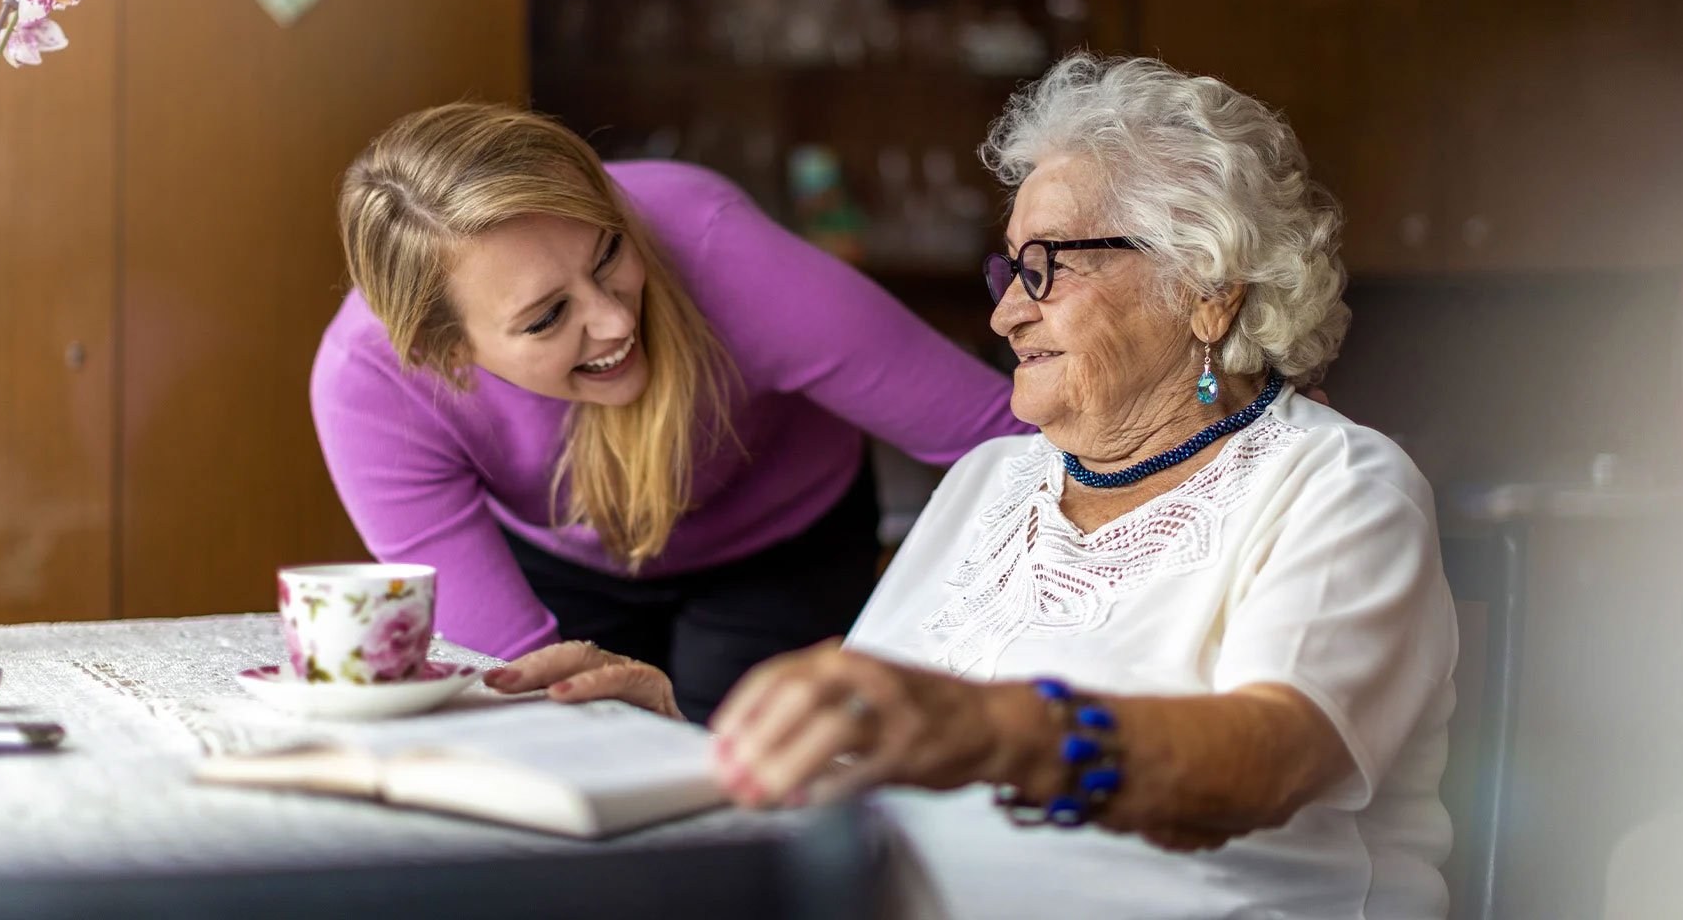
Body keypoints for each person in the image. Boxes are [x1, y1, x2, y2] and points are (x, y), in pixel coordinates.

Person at [491, 54, 1460, 919]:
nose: (1003, 314)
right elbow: (873, 748)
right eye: (1009, 269)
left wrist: (992, 726)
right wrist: (691, 741)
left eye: (1046, 269)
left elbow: (1267, 758)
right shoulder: (995, 480)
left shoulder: (1336, 484)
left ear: (1206, 290)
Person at [310, 105, 1026, 722]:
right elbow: (520, 690)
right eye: (549, 317)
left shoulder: (720, 248)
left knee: (758, 790)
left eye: (608, 253)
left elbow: (1013, 437)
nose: (615, 321)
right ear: (444, 352)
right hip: (562, 559)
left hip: (781, 541)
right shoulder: (369, 386)